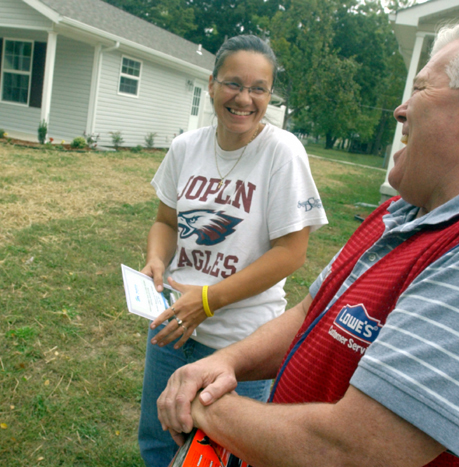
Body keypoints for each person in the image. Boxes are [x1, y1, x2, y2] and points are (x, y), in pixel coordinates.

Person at [157, 14, 459, 467]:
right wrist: (230, 362)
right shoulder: (403, 213)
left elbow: (355, 452)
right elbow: (310, 313)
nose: (400, 109)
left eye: (420, 88)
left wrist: (202, 404)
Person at [138, 35, 328, 467]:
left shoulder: (282, 152)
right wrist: (156, 259)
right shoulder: (186, 148)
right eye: (233, 84)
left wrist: (206, 302)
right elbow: (166, 222)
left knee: (222, 457)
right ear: (210, 84)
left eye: (258, 88)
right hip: (171, 330)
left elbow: (290, 253)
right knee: (158, 442)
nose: (244, 98)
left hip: (238, 343)